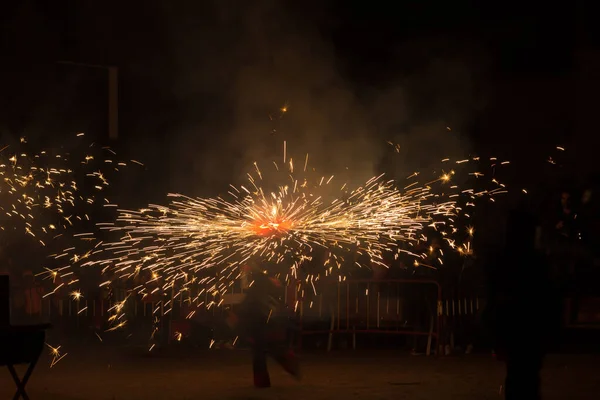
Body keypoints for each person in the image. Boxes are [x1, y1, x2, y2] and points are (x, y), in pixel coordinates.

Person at [484, 208, 561, 400]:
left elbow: (493, 298)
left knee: (519, 378)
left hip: (518, 332)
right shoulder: (535, 262)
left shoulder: (503, 260)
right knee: (525, 380)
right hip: (526, 332)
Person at [228, 263, 300, 388]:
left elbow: (253, 300)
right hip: (260, 320)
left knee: (264, 349)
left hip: (260, 320)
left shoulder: (260, 282)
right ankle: (266, 378)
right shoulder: (258, 285)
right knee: (263, 350)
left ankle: (283, 365)